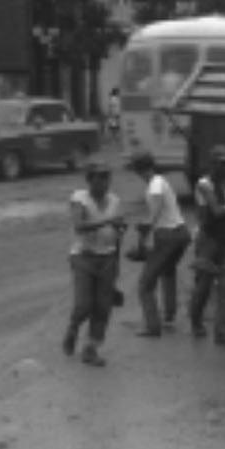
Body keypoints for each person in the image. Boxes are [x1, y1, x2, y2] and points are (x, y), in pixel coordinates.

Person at [63, 162, 126, 367]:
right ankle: (73, 327)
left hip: (107, 257)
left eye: (106, 178)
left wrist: (116, 267)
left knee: (103, 307)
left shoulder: (115, 201)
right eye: (99, 178)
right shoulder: (79, 199)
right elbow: (79, 225)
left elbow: (118, 235)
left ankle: (91, 348)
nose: (103, 183)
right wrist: (109, 221)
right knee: (84, 304)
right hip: (83, 256)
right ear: (89, 181)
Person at [130, 150, 191, 337]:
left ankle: (152, 326)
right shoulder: (162, 181)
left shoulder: (154, 185)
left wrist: (142, 234)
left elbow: (153, 216)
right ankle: (169, 317)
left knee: (145, 284)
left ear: (138, 170)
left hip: (168, 236)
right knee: (167, 272)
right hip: (181, 233)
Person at [189, 145, 225, 345]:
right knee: (203, 285)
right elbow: (217, 211)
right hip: (208, 238)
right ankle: (196, 322)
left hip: (224, 238)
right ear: (213, 164)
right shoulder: (204, 183)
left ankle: (222, 333)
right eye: (222, 163)